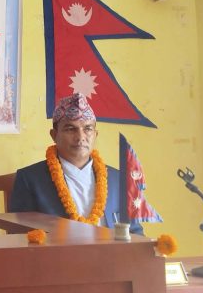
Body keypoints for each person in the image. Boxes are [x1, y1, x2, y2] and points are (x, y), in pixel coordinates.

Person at [8, 93, 143, 234]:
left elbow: (135, 233)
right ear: (54, 135)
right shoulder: (30, 179)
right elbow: (19, 236)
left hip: (111, 249)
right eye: (70, 129)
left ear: (95, 135)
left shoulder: (120, 180)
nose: (80, 137)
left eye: (88, 129)